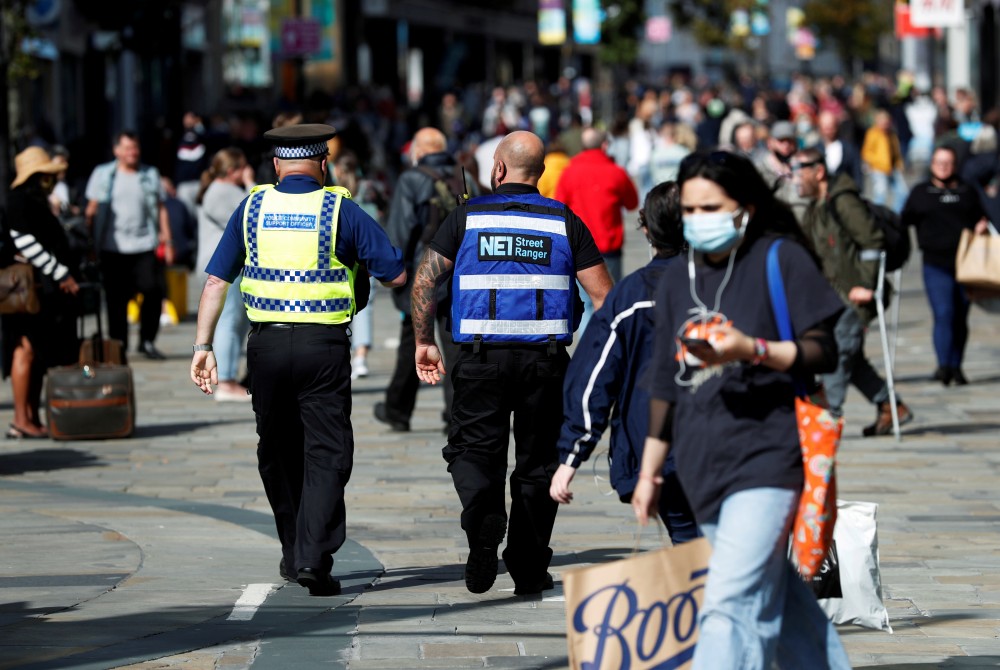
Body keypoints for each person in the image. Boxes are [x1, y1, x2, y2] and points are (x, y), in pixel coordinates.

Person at [631, 150, 851, 668]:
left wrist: (752, 349)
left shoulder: (779, 258)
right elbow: (664, 384)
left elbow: (825, 349)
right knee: (781, 604)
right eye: (689, 210)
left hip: (768, 459)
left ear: (745, 206)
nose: (698, 220)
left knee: (729, 605)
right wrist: (648, 473)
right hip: (704, 466)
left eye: (712, 207)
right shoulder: (676, 280)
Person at [190, 123, 405, 596]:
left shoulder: (252, 207)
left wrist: (203, 348)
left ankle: (294, 551)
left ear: (276, 165)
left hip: (264, 348)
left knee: (277, 451)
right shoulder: (340, 209)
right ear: (323, 164)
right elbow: (395, 272)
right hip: (322, 348)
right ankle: (312, 557)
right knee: (327, 452)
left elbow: (214, 283)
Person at [410, 130, 613, 596]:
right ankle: (526, 565)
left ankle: (484, 521)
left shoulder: (467, 217)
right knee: (539, 465)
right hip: (546, 364)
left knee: (473, 451)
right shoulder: (565, 221)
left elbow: (425, 282)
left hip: (479, 360)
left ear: (498, 169)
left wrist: (424, 341)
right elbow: (606, 299)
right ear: (540, 173)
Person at [550, 181, 699, 543]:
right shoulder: (732, 284)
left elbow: (595, 377)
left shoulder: (630, 296)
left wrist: (571, 456)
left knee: (688, 541)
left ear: (646, 229)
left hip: (657, 448)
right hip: (731, 444)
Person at [793, 146, 914, 436]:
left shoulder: (844, 202)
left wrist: (867, 286)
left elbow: (873, 242)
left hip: (854, 294)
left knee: (838, 355)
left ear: (818, 171)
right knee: (852, 357)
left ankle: (825, 421)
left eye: (800, 170)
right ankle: (890, 405)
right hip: (831, 297)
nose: (795, 177)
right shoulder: (815, 208)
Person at [374, 127, 463, 432]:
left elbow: (400, 231)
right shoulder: (464, 175)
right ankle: (456, 414)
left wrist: (395, 274)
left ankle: (397, 409)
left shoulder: (412, 179)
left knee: (412, 342)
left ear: (418, 151)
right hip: (458, 274)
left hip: (421, 274)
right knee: (455, 345)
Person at [2, 147, 81, 438]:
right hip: (25, 292)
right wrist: (60, 273)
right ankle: (21, 419)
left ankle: (31, 417)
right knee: (24, 351)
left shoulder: (34, 199)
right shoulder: (18, 200)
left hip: (39, 290)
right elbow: (24, 242)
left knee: (36, 354)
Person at [901, 145, 989, 385]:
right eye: (939, 162)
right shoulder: (921, 192)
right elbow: (903, 220)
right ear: (932, 165)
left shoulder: (966, 190)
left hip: (966, 265)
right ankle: (943, 365)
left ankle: (956, 365)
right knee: (944, 313)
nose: (943, 167)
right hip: (935, 264)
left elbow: (984, 215)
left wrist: (981, 225)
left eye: (948, 162)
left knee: (960, 316)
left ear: (955, 165)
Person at [84, 131, 174, 360]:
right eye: (127, 148)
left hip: (145, 244)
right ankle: (119, 346)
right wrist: (89, 241)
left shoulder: (150, 174)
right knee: (116, 300)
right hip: (112, 247)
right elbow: (91, 210)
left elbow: (161, 208)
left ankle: (147, 340)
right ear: (117, 151)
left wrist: (168, 239)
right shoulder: (103, 174)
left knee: (153, 290)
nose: (132, 153)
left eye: (135, 148)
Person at [555, 128, 639, 332]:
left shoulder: (569, 171)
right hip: (609, 246)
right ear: (604, 145)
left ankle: (587, 352)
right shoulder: (616, 172)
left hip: (576, 247)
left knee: (585, 306)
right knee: (610, 302)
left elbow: (558, 205)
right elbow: (632, 203)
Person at [195, 147, 256, 401]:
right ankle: (227, 381)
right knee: (230, 321)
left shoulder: (218, 189)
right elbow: (253, 213)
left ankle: (230, 377)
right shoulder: (224, 191)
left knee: (235, 321)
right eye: (243, 167)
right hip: (224, 266)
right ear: (233, 171)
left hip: (220, 264)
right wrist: (251, 183)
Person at [862, 109, 910, 214]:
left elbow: (896, 151)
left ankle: (895, 214)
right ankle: (877, 215)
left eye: (887, 122)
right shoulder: (873, 134)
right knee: (880, 194)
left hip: (893, 168)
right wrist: (879, 164)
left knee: (903, 192)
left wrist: (899, 163)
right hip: (879, 169)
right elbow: (867, 153)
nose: (885, 124)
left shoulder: (892, 134)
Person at [817, 110, 864, 187]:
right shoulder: (815, 149)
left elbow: (857, 172)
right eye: (825, 127)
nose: (828, 131)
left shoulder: (849, 148)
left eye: (831, 127)